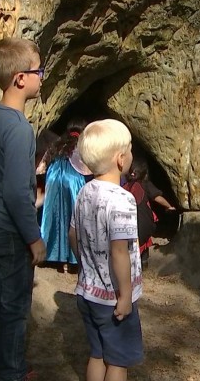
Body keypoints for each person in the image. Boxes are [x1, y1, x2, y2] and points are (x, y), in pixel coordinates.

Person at [0, 37, 47, 381]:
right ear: (21, 78)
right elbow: (18, 193)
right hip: (9, 230)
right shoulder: (19, 129)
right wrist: (34, 238)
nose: (42, 76)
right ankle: (13, 372)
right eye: (38, 70)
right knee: (15, 306)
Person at [68, 119, 143, 381]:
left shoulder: (84, 192)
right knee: (118, 361)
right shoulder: (122, 199)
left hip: (87, 293)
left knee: (98, 354)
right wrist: (125, 295)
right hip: (113, 298)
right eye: (131, 149)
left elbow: (73, 235)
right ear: (121, 159)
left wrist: (87, 264)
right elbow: (119, 251)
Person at [40, 119, 92, 270]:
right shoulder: (82, 147)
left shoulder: (58, 144)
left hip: (54, 177)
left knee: (54, 215)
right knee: (72, 217)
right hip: (73, 180)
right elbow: (87, 169)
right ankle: (71, 259)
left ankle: (51, 254)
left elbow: (43, 166)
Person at [123, 155, 176, 269]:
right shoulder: (145, 184)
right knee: (145, 235)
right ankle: (144, 261)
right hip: (145, 226)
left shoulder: (124, 188)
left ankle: (134, 264)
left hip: (128, 228)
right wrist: (169, 206)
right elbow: (158, 198)